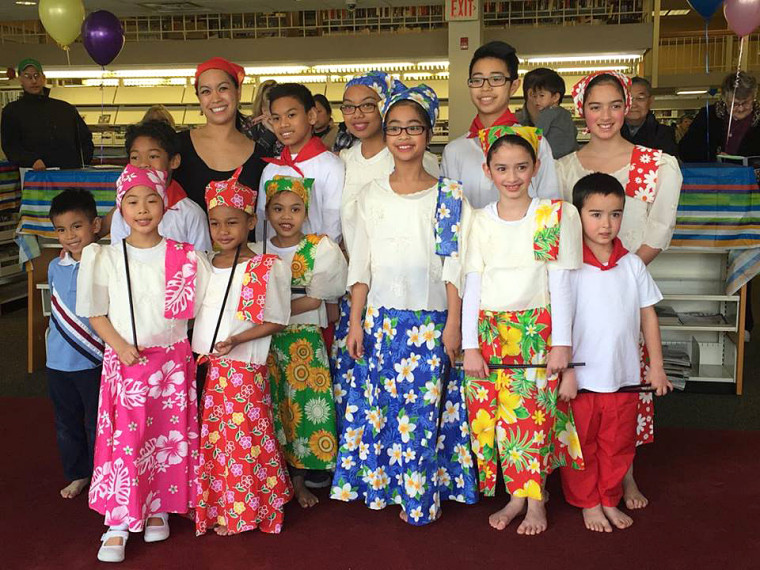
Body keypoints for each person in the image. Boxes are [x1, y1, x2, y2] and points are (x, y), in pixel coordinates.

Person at [330, 85, 478, 525]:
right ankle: (384, 488)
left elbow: (454, 265)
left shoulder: (449, 194)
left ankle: (421, 494)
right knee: (382, 409)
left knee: (424, 412)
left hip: (430, 323)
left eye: (413, 127)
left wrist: (454, 324)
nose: (403, 136)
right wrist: (355, 323)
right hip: (381, 321)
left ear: (428, 132)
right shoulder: (370, 195)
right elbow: (361, 264)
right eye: (395, 128)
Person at [556, 71, 682, 511]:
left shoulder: (657, 164)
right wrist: (593, 274)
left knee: (626, 397)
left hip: (626, 288)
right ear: (581, 111)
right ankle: (589, 484)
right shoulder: (563, 168)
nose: (604, 115)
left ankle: (623, 476)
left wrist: (621, 274)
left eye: (614, 105)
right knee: (588, 405)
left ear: (627, 106)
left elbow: (659, 230)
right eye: (595, 106)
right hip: (581, 289)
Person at [77, 165, 209, 563]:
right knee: (127, 443)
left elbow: (201, 307)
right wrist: (119, 345)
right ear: (120, 209)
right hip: (128, 362)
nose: (143, 209)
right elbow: (95, 311)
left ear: (165, 205)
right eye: (132, 201)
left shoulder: (185, 255)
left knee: (166, 441)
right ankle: (117, 521)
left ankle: (158, 506)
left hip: (172, 364)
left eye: (152, 199)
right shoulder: (105, 256)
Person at [462, 125, 583, 535]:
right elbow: (473, 283)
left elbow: (561, 282)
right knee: (500, 422)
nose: (511, 177)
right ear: (487, 170)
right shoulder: (477, 220)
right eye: (501, 168)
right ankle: (517, 495)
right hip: (490, 331)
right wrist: (469, 346)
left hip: (535, 328)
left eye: (520, 167)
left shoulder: (553, 215)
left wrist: (562, 344)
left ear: (535, 167)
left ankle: (536, 500)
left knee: (533, 420)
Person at [560, 172, 672, 533]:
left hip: (624, 377)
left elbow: (648, 316)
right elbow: (558, 324)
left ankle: (609, 497)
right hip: (582, 378)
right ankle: (588, 503)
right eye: (595, 214)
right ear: (577, 215)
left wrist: (656, 367)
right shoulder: (569, 267)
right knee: (582, 445)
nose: (606, 224)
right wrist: (566, 371)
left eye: (615, 214)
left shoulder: (632, 265)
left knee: (618, 444)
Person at [331, 71, 438, 434]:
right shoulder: (342, 160)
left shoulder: (427, 169)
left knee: (414, 399)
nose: (358, 114)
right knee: (364, 385)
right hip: (361, 288)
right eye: (349, 107)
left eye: (367, 106)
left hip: (416, 297)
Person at [193, 168, 292, 537]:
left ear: (251, 222)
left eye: (232, 222)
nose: (223, 231)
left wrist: (238, 339)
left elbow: (278, 320)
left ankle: (248, 510)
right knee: (220, 439)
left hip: (245, 366)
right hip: (216, 367)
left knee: (246, 437)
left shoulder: (263, 267)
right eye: (215, 223)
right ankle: (228, 504)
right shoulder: (205, 263)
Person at [265, 175, 347, 508]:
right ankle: (275, 480)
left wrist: (270, 313)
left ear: (306, 211)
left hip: (304, 342)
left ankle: (299, 481)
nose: (287, 216)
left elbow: (315, 301)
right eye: (278, 209)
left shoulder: (318, 247)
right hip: (266, 343)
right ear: (267, 211)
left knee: (300, 414)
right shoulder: (258, 249)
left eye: (295, 209)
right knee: (276, 411)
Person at [441, 41, 560, 208]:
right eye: (477, 80)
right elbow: (449, 215)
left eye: (496, 79)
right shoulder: (455, 151)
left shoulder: (536, 143)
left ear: (514, 86)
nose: (485, 88)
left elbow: (550, 206)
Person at [47, 188, 103, 500]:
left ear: (95, 225)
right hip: (57, 363)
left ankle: (102, 473)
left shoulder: (105, 262)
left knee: (98, 423)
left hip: (94, 361)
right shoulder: (56, 266)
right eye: (61, 229)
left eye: (77, 226)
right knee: (66, 423)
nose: (69, 236)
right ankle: (78, 473)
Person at [255, 83, 346, 245]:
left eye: (291, 115)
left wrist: (317, 259)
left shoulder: (331, 166)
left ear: (311, 116)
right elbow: (263, 222)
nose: (283, 124)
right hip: (275, 263)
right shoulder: (270, 170)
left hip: (317, 263)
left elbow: (333, 225)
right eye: (276, 118)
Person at [173, 57, 266, 213]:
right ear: (199, 99)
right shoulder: (177, 147)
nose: (215, 98)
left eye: (223, 88)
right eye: (206, 91)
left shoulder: (260, 157)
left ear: (238, 92)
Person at [106, 120, 211, 251]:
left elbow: (202, 262)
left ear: (174, 161)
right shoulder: (122, 213)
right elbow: (118, 258)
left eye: (153, 156)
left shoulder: (191, 214)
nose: (143, 164)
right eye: (135, 157)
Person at [1, 58, 93, 170]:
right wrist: (31, 160)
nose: (33, 81)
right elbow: (10, 146)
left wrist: (79, 163)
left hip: (70, 175)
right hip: (34, 175)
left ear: (43, 78)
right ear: (20, 79)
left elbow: (85, 139)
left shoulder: (66, 109)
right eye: (27, 76)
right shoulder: (12, 111)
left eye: (36, 75)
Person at [680, 71, 760, 162]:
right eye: (734, 104)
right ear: (725, 99)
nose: (741, 109)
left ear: (754, 97)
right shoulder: (708, 116)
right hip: (713, 174)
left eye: (746, 103)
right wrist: (715, 157)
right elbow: (685, 151)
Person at [518, 67, 579, 159]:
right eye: (536, 95)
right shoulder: (565, 114)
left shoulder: (548, 114)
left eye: (542, 95)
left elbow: (538, 133)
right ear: (530, 94)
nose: (538, 99)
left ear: (555, 97)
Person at [621, 77, 678, 156]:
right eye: (628, 99)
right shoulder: (611, 131)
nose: (633, 104)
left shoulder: (664, 133)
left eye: (640, 98)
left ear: (650, 101)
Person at [241, 79, 282, 158]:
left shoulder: (288, 125)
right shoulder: (250, 126)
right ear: (264, 110)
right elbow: (252, 158)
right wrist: (270, 134)